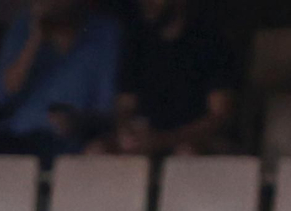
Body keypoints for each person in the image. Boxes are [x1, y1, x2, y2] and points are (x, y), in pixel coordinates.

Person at [0, 0, 122, 159]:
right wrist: (35, 39)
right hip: (19, 141)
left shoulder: (104, 32)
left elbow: (107, 106)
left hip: (74, 145)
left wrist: (78, 123)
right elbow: (1, 95)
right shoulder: (23, 27)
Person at [99, 0, 236, 156]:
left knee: (186, 152)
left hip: (193, 140)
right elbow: (125, 105)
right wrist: (126, 131)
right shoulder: (138, 41)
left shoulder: (210, 40)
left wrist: (164, 140)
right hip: (146, 140)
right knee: (98, 150)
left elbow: (219, 116)